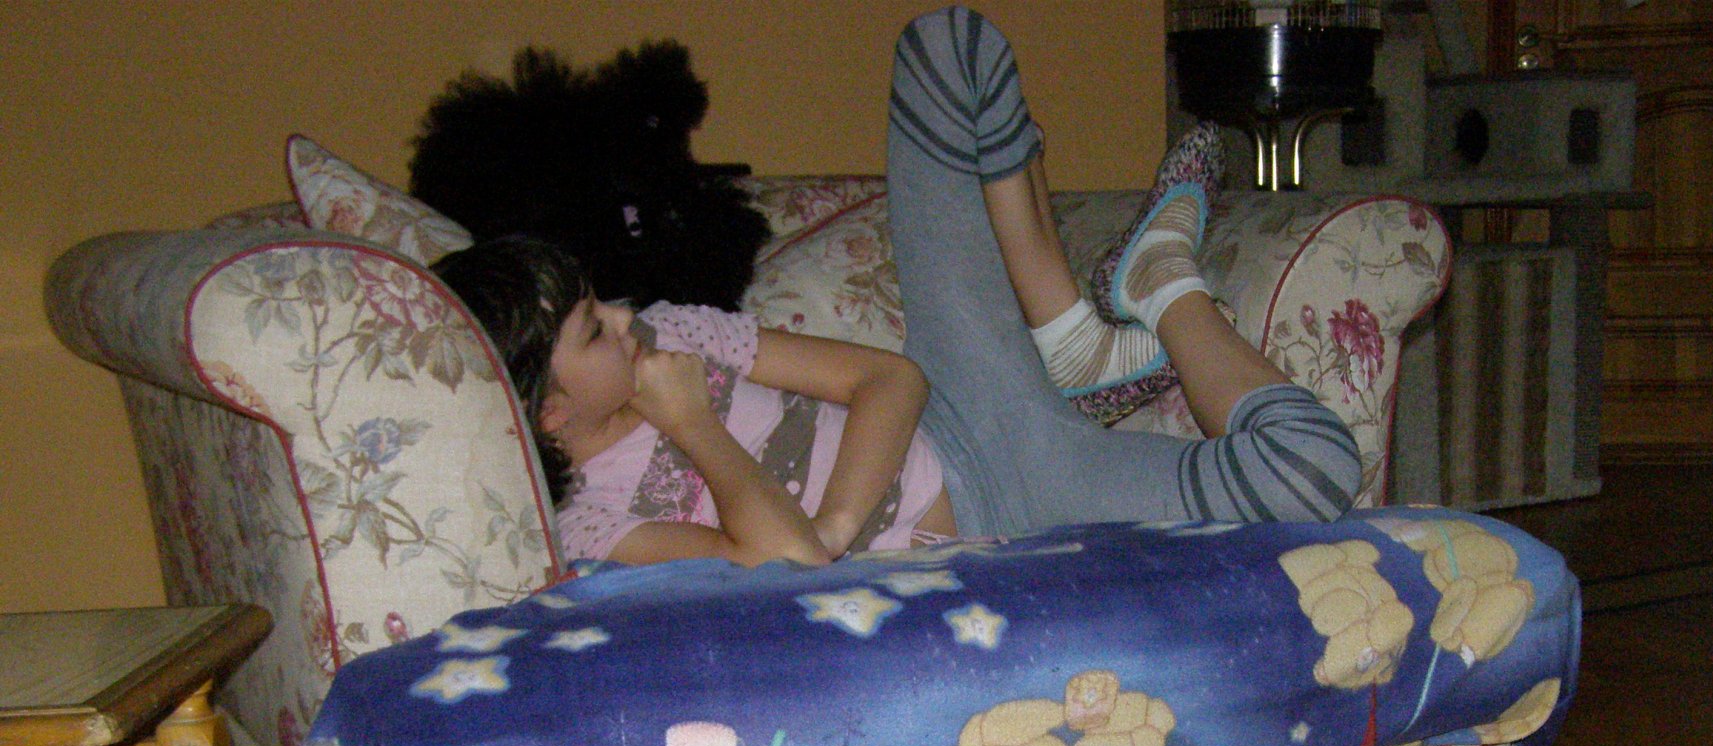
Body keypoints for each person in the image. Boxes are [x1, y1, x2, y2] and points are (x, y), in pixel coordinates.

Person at [434, 5, 1362, 570]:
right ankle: (1165, 288)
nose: (624, 316)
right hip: (1015, 502)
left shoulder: (672, 331)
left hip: (958, 398)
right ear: (548, 411)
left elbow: (890, 379)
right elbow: (781, 562)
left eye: (600, 300)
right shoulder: (588, 521)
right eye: (592, 329)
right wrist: (693, 425)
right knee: (1311, 472)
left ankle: (1074, 327)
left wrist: (837, 522)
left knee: (947, 46)